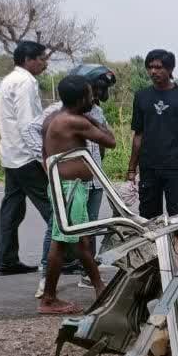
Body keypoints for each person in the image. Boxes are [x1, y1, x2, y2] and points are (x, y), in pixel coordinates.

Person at [24, 65, 116, 293]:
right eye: (91, 93)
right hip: (70, 187)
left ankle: (93, 285)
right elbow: (110, 140)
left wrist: (51, 165)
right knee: (67, 240)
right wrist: (51, 165)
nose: (95, 97)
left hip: (81, 184)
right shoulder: (74, 119)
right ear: (80, 97)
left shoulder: (65, 116)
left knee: (78, 239)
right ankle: (52, 292)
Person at [0, 41, 54, 276]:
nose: (45, 62)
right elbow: (28, 124)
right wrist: (42, 157)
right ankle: (63, 260)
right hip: (26, 157)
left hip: (11, 155)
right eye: (41, 58)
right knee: (54, 210)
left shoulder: (9, 79)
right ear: (29, 59)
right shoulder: (26, 82)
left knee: (12, 210)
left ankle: (7, 260)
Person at [126, 49, 178, 219]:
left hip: (174, 168)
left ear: (170, 69)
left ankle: (177, 246)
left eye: (159, 67)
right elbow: (138, 135)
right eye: (150, 67)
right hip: (148, 168)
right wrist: (131, 169)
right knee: (148, 218)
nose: (153, 71)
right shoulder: (141, 97)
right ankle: (154, 247)